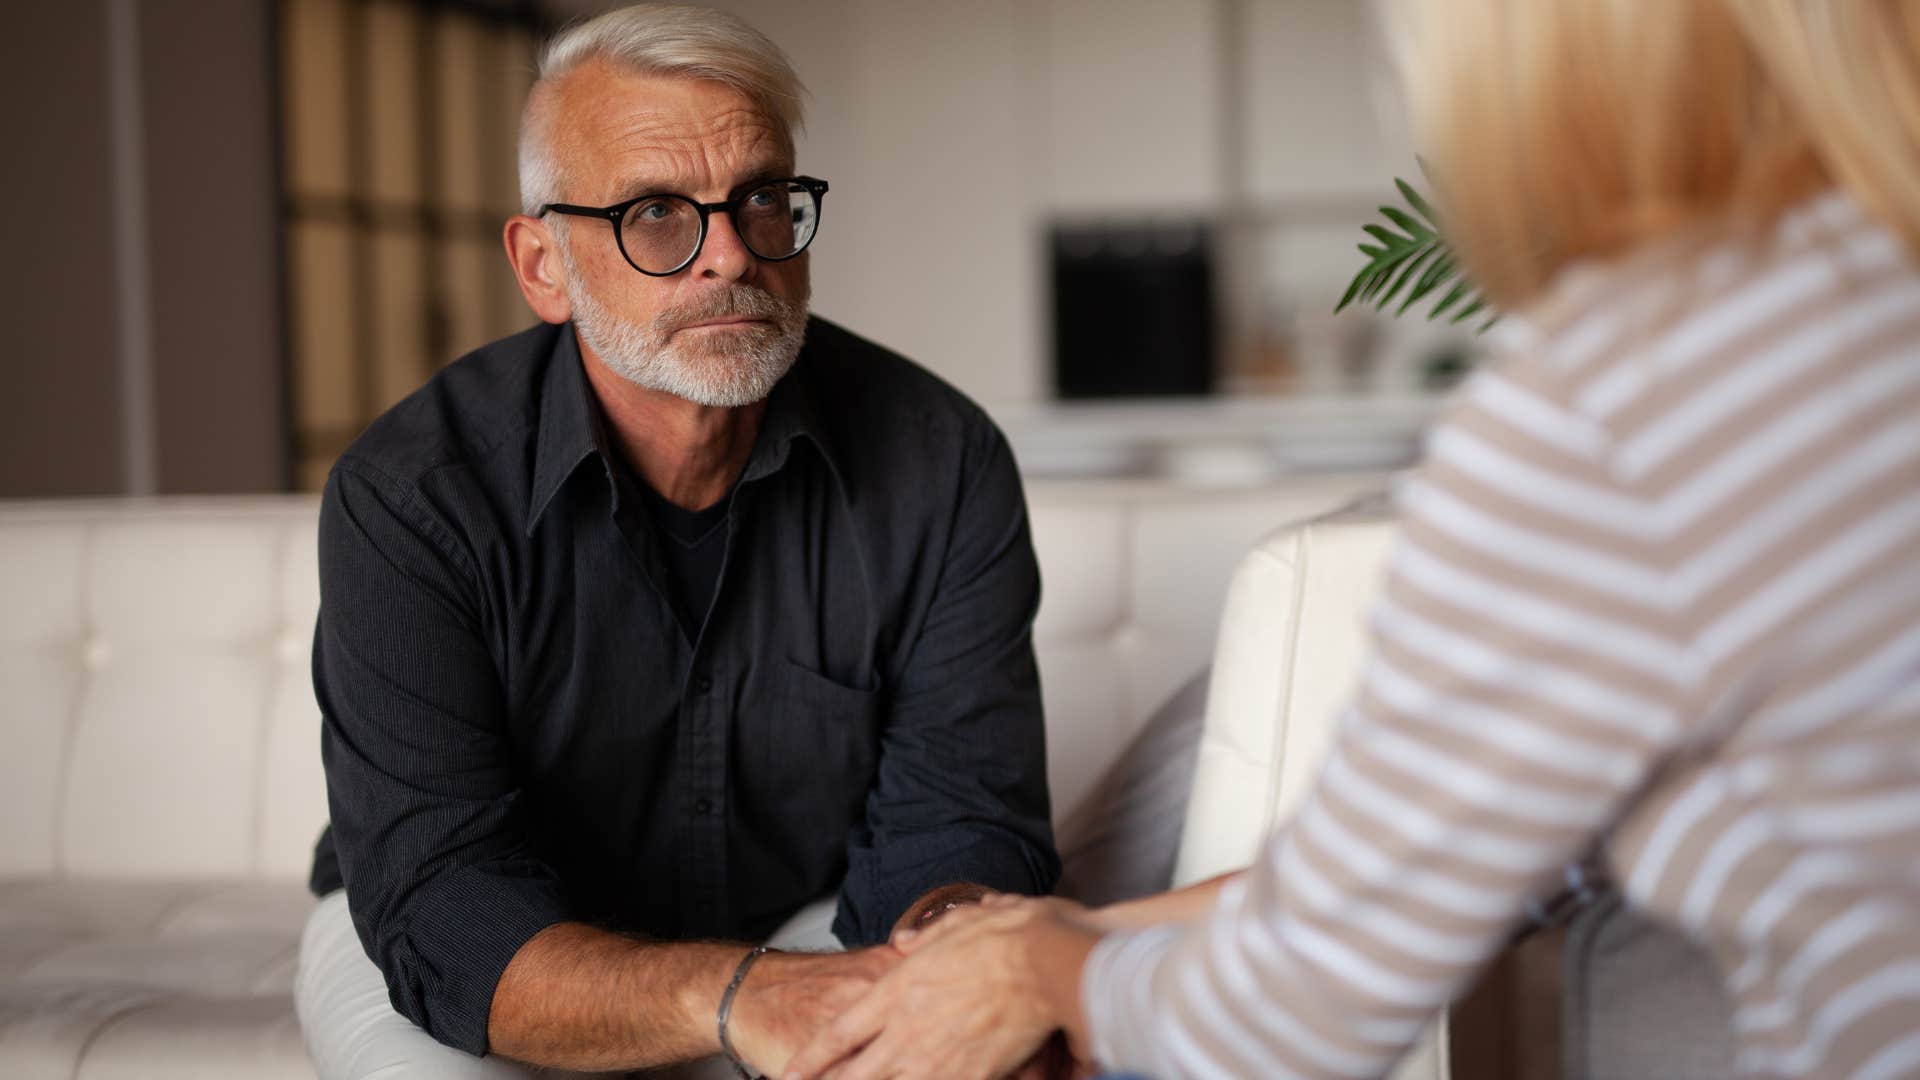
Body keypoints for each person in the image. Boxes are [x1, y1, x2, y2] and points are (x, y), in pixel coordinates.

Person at [785, 0, 1920, 1077]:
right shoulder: (1869, 303)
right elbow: (1505, 855)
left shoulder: (1638, 391)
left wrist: (1039, 971)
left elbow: (1294, 1022)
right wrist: (1084, 932)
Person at [292, 6, 1060, 1078]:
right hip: (498, 951)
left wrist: (953, 974)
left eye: (761, 199)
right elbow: (446, 906)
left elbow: (958, 821)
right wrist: (732, 994)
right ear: (543, 264)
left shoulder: (941, 460)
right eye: (657, 212)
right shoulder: (413, 499)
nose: (733, 257)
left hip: (804, 917)